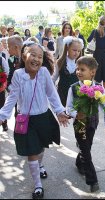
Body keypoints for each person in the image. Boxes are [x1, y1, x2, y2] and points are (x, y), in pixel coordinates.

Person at [0, 42, 69, 199]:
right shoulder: (18, 75)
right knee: (32, 151)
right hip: (26, 120)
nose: (37, 59)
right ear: (24, 56)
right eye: (33, 55)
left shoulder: (44, 72)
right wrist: (2, 116)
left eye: (40, 56)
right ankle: (38, 185)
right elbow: (12, 98)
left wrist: (59, 111)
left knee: (40, 148)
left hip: (43, 117)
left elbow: (52, 94)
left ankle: (40, 164)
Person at [66, 56, 105, 193]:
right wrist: (76, 114)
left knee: (87, 146)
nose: (78, 72)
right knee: (85, 151)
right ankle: (92, 181)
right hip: (80, 123)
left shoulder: (99, 88)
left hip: (93, 122)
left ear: (92, 72)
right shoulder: (73, 88)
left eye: (82, 69)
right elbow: (68, 108)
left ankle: (79, 162)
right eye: (77, 69)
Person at [52, 36, 84, 107]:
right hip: (62, 92)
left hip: (76, 93)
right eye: (74, 50)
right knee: (64, 114)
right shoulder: (60, 62)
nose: (77, 53)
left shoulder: (81, 63)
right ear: (67, 48)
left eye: (79, 51)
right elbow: (54, 78)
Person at [87, 15, 105, 90]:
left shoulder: (95, 31)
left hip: (97, 54)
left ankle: (97, 94)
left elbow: (88, 40)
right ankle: (103, 93)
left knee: (97, 75)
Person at [0, 56, 9, 131]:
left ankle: (4, 124)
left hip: (0, 88)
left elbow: (6, 71)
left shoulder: (1, 59)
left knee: (2, 106)